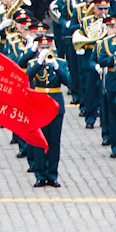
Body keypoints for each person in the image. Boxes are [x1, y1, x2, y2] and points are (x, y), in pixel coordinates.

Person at [23, 35, 68, 188]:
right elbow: (26, 78)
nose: (45, 50)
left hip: (55, 103)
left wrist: (55, 66)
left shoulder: (61, 62)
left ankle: (52, 175)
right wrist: (38, 63)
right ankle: (40, 175)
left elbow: (69, 82)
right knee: (39, 141)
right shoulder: (32, 63)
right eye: (42, 48)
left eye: (48, 47)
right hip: (39, 104)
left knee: (54, 141)